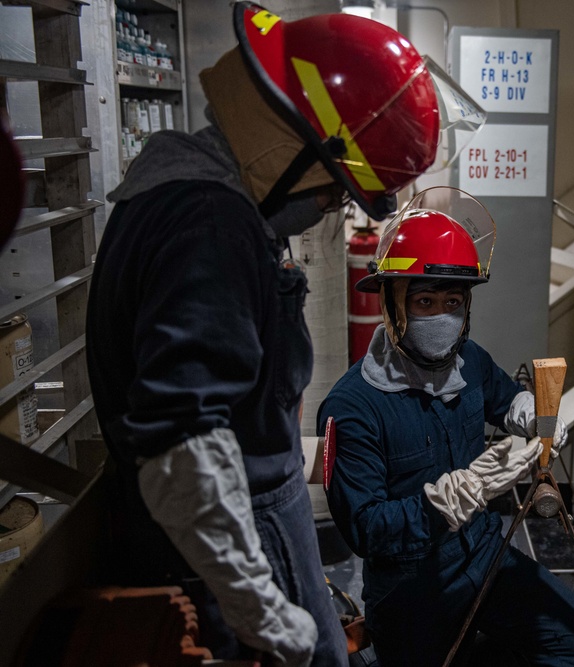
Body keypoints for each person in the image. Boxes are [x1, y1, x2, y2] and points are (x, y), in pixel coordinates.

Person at [86, 2, 484, 665]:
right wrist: (265, 611)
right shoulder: (209, 226)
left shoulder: (181, 191)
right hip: (224, 573)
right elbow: (182, 444)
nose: (331, 205)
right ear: (300, 145)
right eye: (337, 187)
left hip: (245, 541)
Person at [316, 187, 574, 667]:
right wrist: (449, 499)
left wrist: (533, 413)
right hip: (410, 585)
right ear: (392, 305)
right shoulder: (353, 406)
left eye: (453, 301)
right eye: (425, 301)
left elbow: (504, 397)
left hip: (482, 554)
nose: (442, 317)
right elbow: (365, 530)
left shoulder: (468, 361)